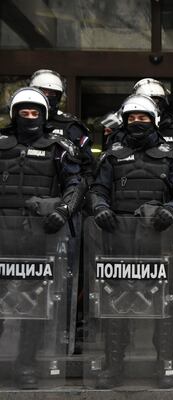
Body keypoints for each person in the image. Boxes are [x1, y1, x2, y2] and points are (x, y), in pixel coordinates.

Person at [88, 94, 173, 389]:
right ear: (124, 121)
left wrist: (171, 209)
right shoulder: (112, 156)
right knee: (116, 307)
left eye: (143, 117)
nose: (137, 122)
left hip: (159, 245)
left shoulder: (171, 156)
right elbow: (97, 190)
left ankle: (164, 365)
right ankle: (113, 366)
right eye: (132, 118)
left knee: (164, 307)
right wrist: (99, 207)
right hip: (118, 243)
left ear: (154, 121)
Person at [0, 87, 84, 388]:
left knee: (33, 308)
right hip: (1, 236)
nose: (30, 118)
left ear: (45, 115)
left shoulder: (58, 147)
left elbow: (76, 183)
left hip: (38, 240)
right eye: (25, 113)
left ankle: (26, 366)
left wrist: (63, 211)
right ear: (15, 114)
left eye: (36, 113)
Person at [29, 69, 94, 183]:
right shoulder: (20, 121)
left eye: (52, 93)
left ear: (58, 97)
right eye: (43, 92)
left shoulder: (70, 126)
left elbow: (87, 165)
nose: (47, 96)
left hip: (60, 190)